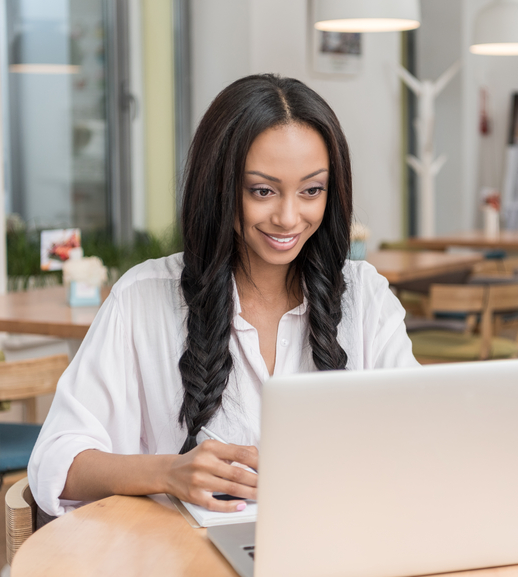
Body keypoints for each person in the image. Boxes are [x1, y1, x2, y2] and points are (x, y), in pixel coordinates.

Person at [28, 74, 418, 519]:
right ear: (219, 186)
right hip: (183, 558)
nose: (289, 217)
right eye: (262, 191)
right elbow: (56, 462)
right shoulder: (142, 299)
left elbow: (417, 434)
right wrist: (167, 472)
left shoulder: (365, 296)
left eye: (312, 190)